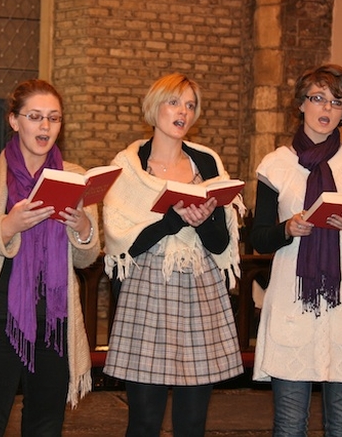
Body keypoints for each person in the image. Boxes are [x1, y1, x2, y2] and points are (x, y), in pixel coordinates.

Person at [0, 79, 99, 436]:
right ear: (14, 121)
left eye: (54, 118)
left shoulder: (76, 177)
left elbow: (87, 258)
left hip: (54, 322)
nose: (45, 126)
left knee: (46, 426)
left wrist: (83, 228)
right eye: (35, 117)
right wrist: (7, 225)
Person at [102, 72, 244, 437]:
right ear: (154, 107)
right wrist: (171, 220)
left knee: (193, 422)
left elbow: (219, 243)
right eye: (174, 102)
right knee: (145, 421)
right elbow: (123, 244)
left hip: (201, 291)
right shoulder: (128, 166)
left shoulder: (207, 163)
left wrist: (200, 221)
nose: (183, 111)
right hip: (147, 289)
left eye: (190, 105)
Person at [250, 64, 342, 436]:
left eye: (337, 102)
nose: (326, 108)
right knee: (290, 425)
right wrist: (288, 228)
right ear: (302, 104)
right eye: (318, 98)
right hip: (293, 303)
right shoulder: (276, 164)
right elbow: (258, 237)